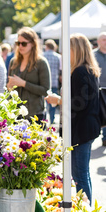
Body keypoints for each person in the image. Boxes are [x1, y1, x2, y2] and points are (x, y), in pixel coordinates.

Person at [45, 33, 100, 204]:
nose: (64, 53)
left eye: (67, 48)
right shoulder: (88, 69)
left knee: (79, 174)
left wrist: (58, 100)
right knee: (81, 173)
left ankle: (85, 206)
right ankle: (87, 205)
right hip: (86, 127)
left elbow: (80, 103)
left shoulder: (80, 71)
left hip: (81, 128)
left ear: (76, 50)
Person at [6, 27, 50, 122]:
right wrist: (9, 87)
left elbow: (46, 90)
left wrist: (23, 83)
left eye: (24, 43)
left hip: (34, 114)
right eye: (18, 43)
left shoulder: (41, 62)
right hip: (15, 113)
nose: (20, 46)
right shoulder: (13, 62)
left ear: (33, 44)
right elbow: (8, 88)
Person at [43, 39, 62, 124]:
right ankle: (52, 119)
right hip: (54, 82)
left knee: (44, 103)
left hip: (44, 83)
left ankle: (44, 120)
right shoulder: (58, 57)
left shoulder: (43, 56)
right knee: (53, 103)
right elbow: (60, 70)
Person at [94, 32, 106, 146]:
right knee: (101, 113)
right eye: (103, 39)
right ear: (98, 41)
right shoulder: (93, 55)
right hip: (98, 90)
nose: (105, 41)